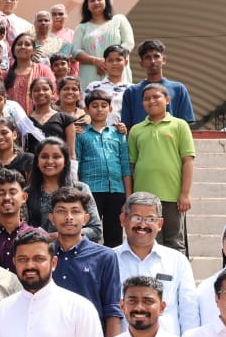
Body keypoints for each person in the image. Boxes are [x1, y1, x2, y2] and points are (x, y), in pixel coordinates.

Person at [114, 192, 200, 334]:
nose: (142, 225)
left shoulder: (177, 261)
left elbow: (189, 310)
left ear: (160, 224)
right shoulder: (109, 259)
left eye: (150, 219)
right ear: (123, 220)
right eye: (136, 218)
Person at [127, 82, 195, 254]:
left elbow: (188, 160)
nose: (151, 101)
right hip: (144, 199)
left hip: (172, 196)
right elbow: (131, 165)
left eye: (156, 97)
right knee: (148, 241)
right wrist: (130, 196)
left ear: (167, 99)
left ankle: (177, 272)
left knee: (175, 242)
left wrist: (185, 193)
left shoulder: (179, 125)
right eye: (147, 99)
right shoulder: (136, 130)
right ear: (142, 103)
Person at [49, 186, 123, 337]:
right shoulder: (43, 256)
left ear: (86, 219)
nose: (69, 217)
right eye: (61, 211)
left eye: (75, 211)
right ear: (51, 218)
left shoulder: (105, 256)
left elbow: (112, 309)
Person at [75, 89, 131, 247]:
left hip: (116, 191)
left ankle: (112, 262)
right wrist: (77, 193)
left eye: (103, 105)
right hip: (90, 191)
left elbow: (125, 165)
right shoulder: (81, 134)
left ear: (110, 109)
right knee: (89, 233)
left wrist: (128, 196)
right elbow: (76, 164)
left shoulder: (118, 134)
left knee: (115, 235)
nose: (99, 109)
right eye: (94, 106)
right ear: (87, 109)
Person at [121, 40, 196, 128]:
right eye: (147, 57)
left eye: (156, 56)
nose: (152, 61)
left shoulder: (178, 89)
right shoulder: (131, 92)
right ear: (141, 63)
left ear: (163, 59)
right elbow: (127, 127)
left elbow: (186, 124)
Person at [72, 0, 134, 88]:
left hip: (117, 71)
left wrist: (109, 62)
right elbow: (75, 51)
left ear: (106, 2)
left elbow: (128, 43)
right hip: (91, 75)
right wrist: (95, 61)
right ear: (87, 6)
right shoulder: (82, 27)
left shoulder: (119, 20)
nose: (96, 2)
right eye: (92, 0)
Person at [0, 168, 36, 272]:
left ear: (24, 197)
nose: (7, 197)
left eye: (12, 192)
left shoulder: (36, 236)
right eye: (1, 193)